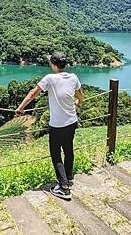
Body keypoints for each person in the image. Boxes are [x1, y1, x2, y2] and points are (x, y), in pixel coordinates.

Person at [16, 51, 83, 200]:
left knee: (55, 154)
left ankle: (64, 188)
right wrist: (78, 102)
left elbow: (33, 93)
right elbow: (79, 95)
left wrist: (20, 108)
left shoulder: (50, 78)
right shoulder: (73, 77)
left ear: (53, 65)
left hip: (58, 125)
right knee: (68, 149)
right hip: (72, 122)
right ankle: (68, 177)